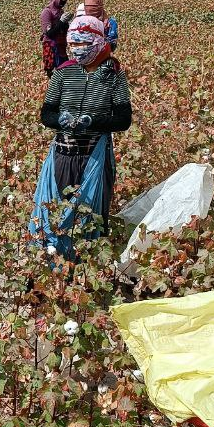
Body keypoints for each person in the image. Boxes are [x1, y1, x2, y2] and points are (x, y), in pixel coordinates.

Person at [29, 15, 132, 258]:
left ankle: (84, 270)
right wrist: (59, 120)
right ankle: (51, 267)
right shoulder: (63, 74)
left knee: (88, 216)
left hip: (94, 155)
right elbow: (46, 113)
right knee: (53, 212)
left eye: (83, 45)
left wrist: (93, 121)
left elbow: (123, 120)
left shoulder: (114, 75)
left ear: (97, 42)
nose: (77, 50)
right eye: (72, 45)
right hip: (62, 155)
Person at [39, 0, 73, 75]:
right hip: (52, 49)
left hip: (61, 48)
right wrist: (62, 21)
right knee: (55, 76)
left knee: (65, 74)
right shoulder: (47, 12)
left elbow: (64, 30)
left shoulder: (60, 12)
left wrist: (68, 22)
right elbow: (50, 34)